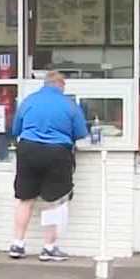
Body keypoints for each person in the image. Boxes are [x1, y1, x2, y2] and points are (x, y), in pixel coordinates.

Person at [8, 71, 88, 262]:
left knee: (25, 199)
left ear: (45, 84)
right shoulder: (69, 104)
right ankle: (48, 248)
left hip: (28, 150)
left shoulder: (28, 101)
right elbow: (80, 133)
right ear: (61, 85)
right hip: (57, 152)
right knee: (54, 200)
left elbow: (16, 129)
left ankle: (17, 244)